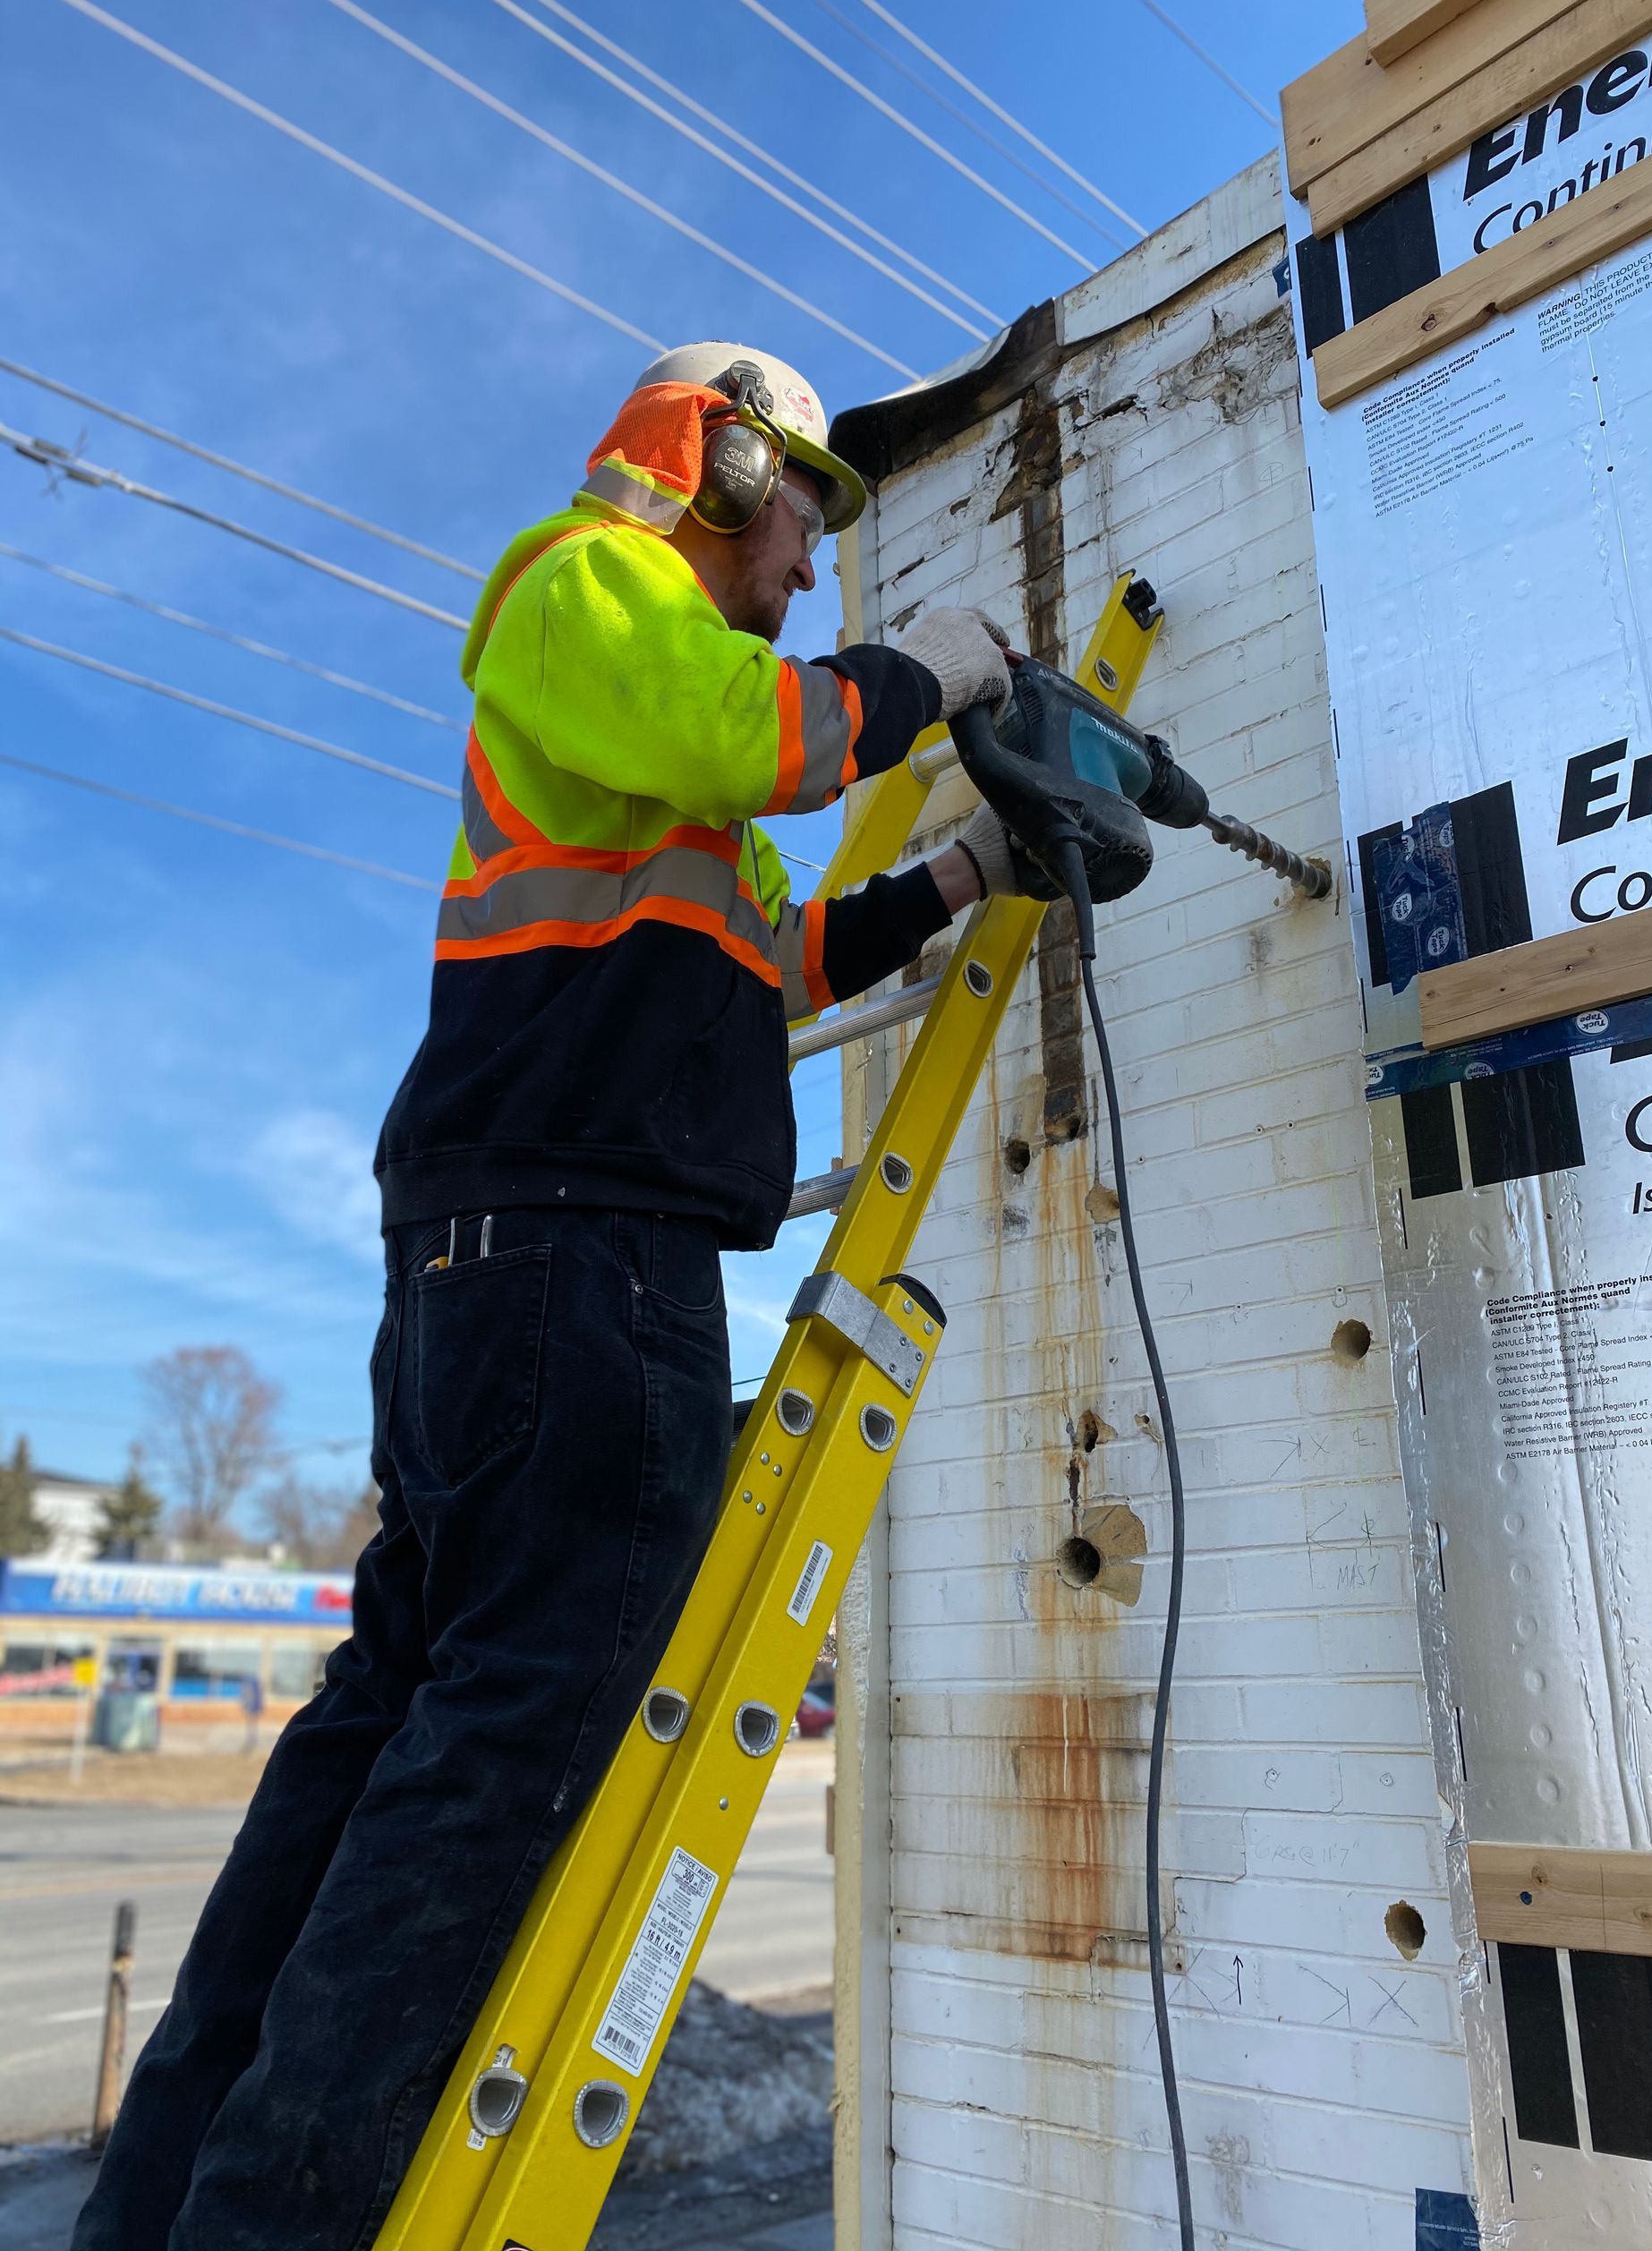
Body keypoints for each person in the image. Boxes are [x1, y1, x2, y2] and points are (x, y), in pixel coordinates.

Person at [72, 342, 1032, 2251]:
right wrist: (943, 667)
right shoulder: (587, 587)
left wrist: (960, 871)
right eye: (809, 521)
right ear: (721, 462)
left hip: (509, 1273)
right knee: (511, 1740)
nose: (817, 575)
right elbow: (758, 730)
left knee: (400, 1722)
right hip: (576, 1268)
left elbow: (774, 958)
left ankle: (178, 2207)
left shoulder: (663, 796)